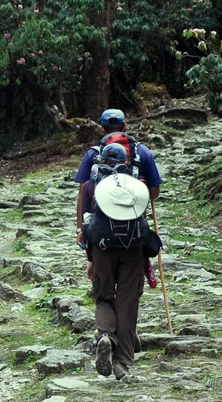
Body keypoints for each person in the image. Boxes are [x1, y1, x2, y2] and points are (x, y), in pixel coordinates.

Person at [74, 108, 162, 381]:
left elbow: (84, 198)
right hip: (133, 243)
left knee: (103, 296)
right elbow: (154, 193)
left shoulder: (91, 160)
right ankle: (122, 363)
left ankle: (106, 337)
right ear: (125, 126)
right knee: (127, 302)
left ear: (101, 129)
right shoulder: (142, 154)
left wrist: (83, 240)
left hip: (100, 244)